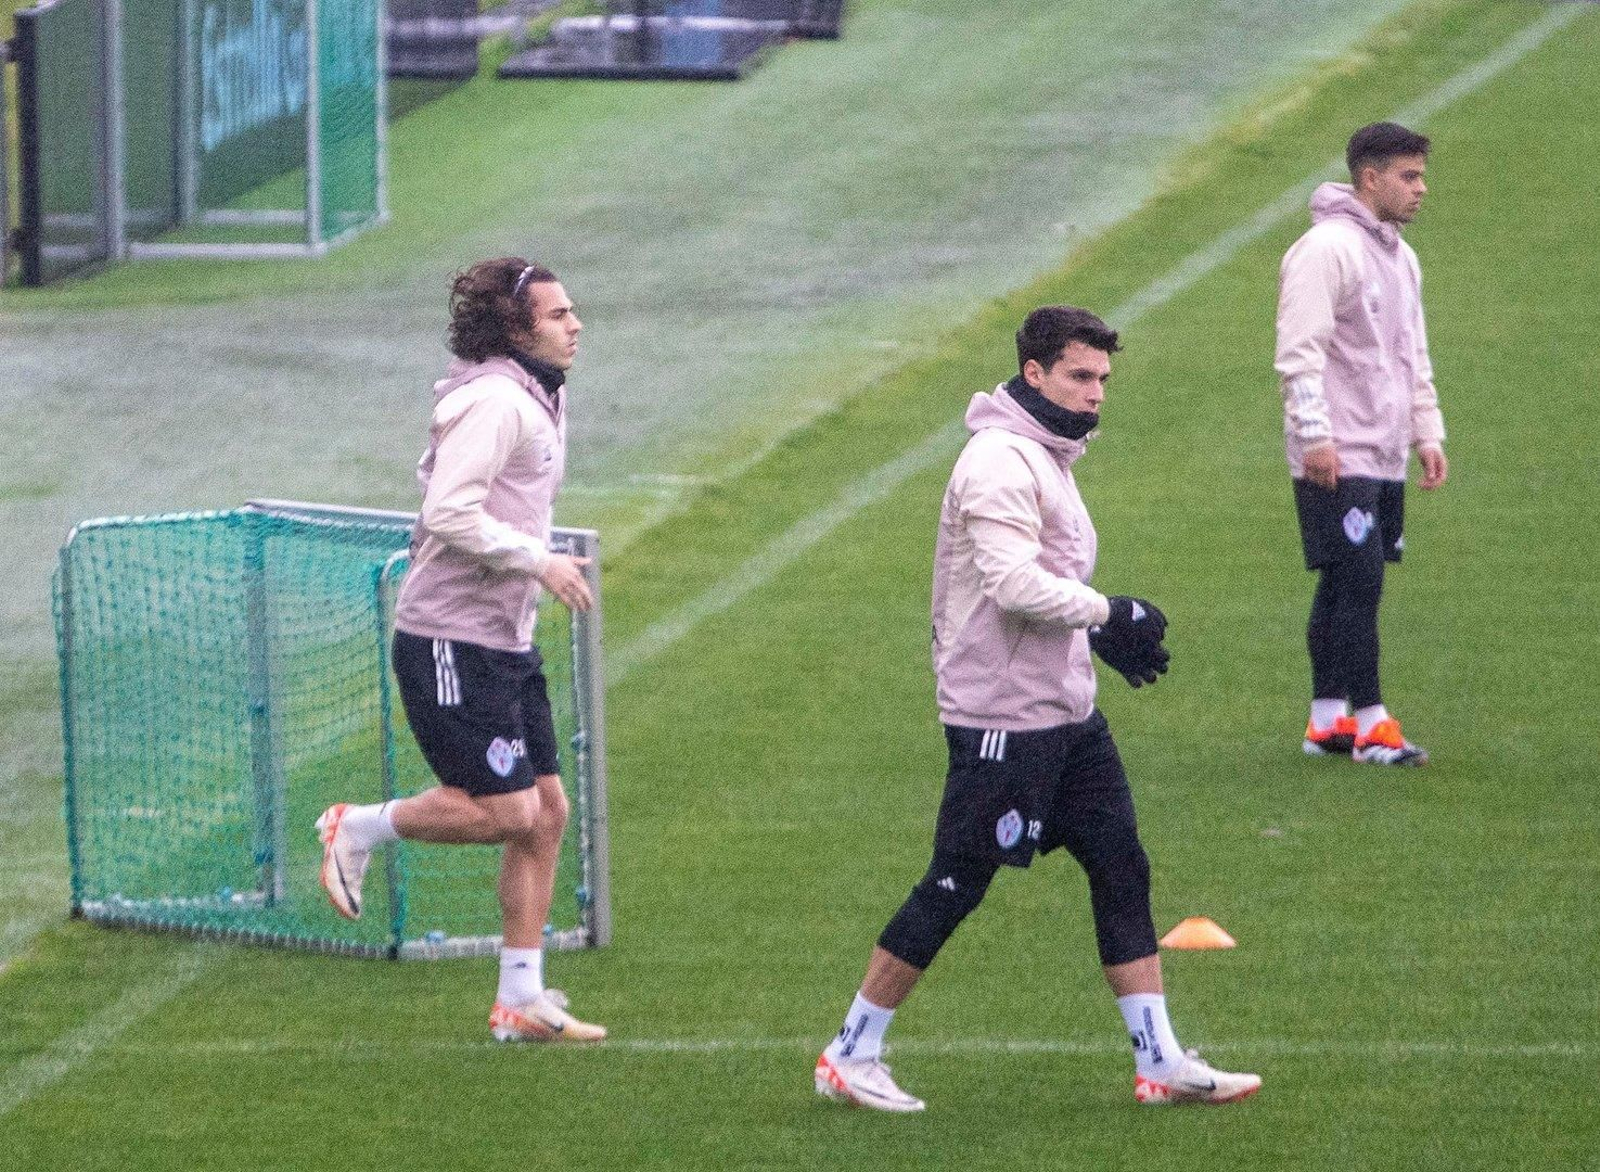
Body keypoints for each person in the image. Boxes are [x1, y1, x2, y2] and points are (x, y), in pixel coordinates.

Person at [813, 306, 1261, 1112]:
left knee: (1121, 864)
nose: (1096, 395)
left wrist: (1095, 642)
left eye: (1103, 380)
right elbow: (1012, 584)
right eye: (1080, 377)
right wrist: (1109, 613)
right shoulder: (998, 463)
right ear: (1034, 374)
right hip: (1001, 718)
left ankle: (1158, 1060)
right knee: (957, 880)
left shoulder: (1050, 456)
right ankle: (851, 1050)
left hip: (1066, 713)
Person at [316, 258, 605, 1043]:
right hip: (449, 636)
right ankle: (357, 826)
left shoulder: (544, 394)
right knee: (506, 811)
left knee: (547, 814)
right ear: (516, 330)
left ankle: (520, 997)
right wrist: (537, 560)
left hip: (504, 638)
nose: (576, 324)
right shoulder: (494, 405)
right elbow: (448, 512)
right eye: (558, 314)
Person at [1276, 122, 1448, 767]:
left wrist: (1425, 431)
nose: (1421, 189)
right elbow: (1300, 353)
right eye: (1409, 176)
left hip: (1382, 450)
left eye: (1422, 176)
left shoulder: (1401, 256)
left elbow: (1412, 355)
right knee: (1360, 580)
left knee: (1344, 583)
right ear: (1369, 177)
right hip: (1338, 448)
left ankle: (1327, 721)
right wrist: (1315, 435)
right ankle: (1373, 723)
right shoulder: (1326, 250)